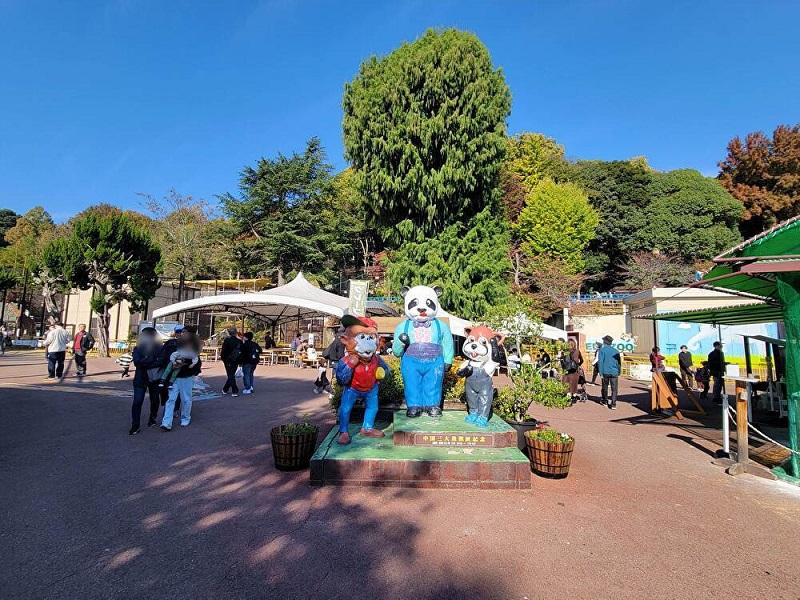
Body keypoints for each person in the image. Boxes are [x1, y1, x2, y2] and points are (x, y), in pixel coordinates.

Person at [160, 341, 202, 431]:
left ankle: (185, 418)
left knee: (186, 399)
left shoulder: (193, 354)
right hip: (174, 379)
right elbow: (169, 362)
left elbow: (197, 366)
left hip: (186, 378)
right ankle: (166, 422)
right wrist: (173, 365)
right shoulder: (176, 352)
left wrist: (191, 370)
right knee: (171, 399)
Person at [129, 327, 161, 435]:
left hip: (155, 378)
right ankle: (135, 424)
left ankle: (153, 417)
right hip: (140, 378)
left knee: (155, 399)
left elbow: (160, 362)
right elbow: (137, 362)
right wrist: (151, 360)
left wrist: (146, 362)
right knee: (137, 401)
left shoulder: (159, 348)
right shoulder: (138, 348)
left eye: (147, 335)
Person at [597, 334, 621, 409]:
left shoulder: (602, 350)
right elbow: (619, 363)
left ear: (604, 342)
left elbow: (600, 362)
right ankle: (613, 404)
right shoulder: (616, 351)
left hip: (605, 372)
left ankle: (605, 400)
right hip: (614, 372)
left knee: (605, 387)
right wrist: (619, 372)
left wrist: (600, 372)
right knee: (614, 389)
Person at [221, 327, 242, 396]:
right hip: (236, 359)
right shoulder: (239, 341)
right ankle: (225, 389)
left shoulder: (227, 340)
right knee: (231, 374)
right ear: (236, 333)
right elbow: (241, 351)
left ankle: (234, 390)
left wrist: (223, 358)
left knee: (230, 374)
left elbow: (223, 350)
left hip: (228, 359)